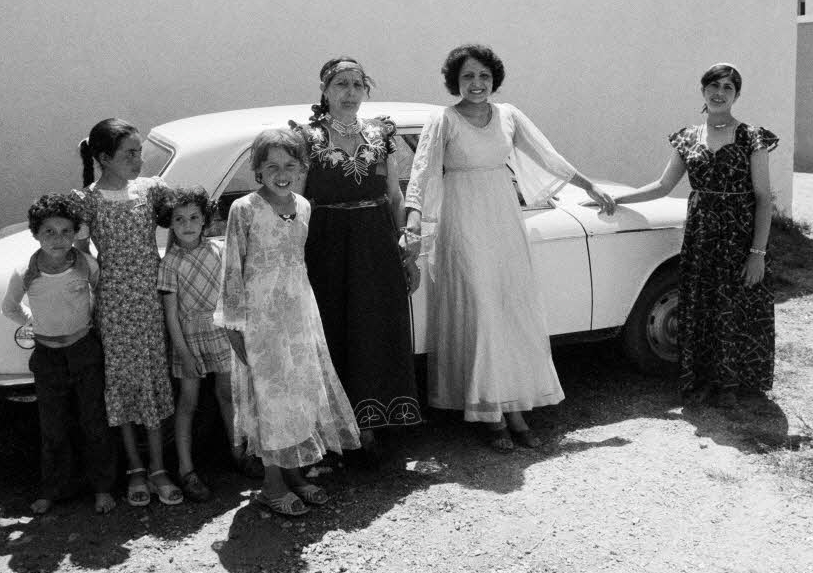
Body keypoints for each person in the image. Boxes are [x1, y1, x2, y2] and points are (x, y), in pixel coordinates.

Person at [402, 44, 616, 451]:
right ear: (455, 81)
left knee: (510, 310)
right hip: (462, 223)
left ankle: (515, 407)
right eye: (468, 77)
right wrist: (414, 220)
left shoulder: (510, 115)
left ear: (494, 78)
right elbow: (423, 172)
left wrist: (590, 186)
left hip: (503, 219)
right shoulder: (442, 120)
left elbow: (548, 157)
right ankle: (492, 414)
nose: (477, 84)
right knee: (481, 309)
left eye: (483, 76)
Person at [612, 63, 778, 408]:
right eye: (713, 85)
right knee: (701, 307)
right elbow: (662, 185)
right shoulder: (688, 137)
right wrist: (615, 198)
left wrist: (757, 253)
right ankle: (702, 380)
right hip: (702, 235)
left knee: (735, 306)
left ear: (737, 95)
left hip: (739, 234)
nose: (720, 93)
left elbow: (764, 197)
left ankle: (731, 384)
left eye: (728, 87)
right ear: (702, 90)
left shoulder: (752, 137)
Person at [215, 129, 361, 516]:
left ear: (302, 168)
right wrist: (233, 324)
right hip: (260, 318)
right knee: (271, 399)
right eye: (272, 166)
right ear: (258, 170)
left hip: (298, 312)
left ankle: (296, 474)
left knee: (300, 392)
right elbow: (232, 268)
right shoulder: (244, 209)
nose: (282, 173)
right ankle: (272, 484)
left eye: (290, 166)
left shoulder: (304, 205)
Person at [291, 58, 422, 460]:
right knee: (334, 331)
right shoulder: (307, 138)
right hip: (326, 247)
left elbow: (395, 195)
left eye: (357, 84)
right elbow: (295, 201)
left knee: (375, 327)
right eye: (340, 84)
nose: (350, 92)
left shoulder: (381, 134)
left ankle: (373, 423)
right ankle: (337, 429)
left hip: (377, 245)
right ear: (325, 90)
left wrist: (407, 246)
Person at [75, 118, 183, 507]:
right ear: (104, 158)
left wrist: (172, 264)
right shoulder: (87, 201)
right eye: (129, 154)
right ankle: (134, 467)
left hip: (152, 302)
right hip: (115, 306)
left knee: (153, 378)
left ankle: (158, 467)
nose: (138, 160)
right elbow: (84, 258)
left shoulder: (150, 190)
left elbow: (187, 218)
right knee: (122, 384)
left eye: (140, 152)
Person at [1, 193, 116, 515]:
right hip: (48, 357)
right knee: (53, 427)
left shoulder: (85, 265)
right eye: (49, 232)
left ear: (76, 233)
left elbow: (100, 295)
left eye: (66, 231)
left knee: (93, 422)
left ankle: (102, 488)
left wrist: (90, 323)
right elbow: (8, 307)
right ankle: (53, 489)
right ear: (35, 234)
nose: (58, 239)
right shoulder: (26, 271)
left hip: (85, 352)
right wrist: (32, 323)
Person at [156, 186, 244, 502]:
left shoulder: (218, 252)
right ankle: (186, 469)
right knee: (188, 403)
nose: (188, 224)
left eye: (194, 217)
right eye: (180, 219)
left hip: (220, 331)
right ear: (170, 223)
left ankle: (239, 453)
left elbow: (230, 296)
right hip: (188, 338)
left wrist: (236, 332)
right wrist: (182, 351)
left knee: (227, 394)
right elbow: (170, 315)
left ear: (204, 219)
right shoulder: (169, 263)